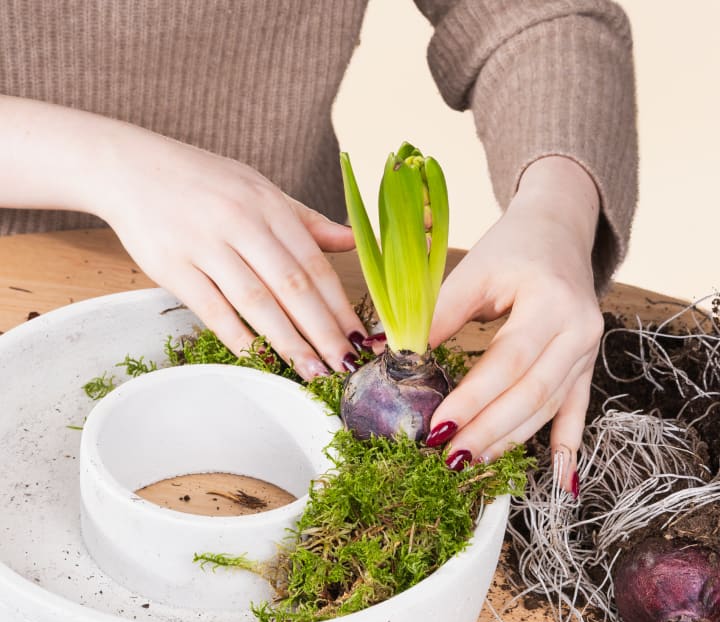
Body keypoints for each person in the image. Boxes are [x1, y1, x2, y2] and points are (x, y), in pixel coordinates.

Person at [0, 1, 637, 497]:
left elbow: (548, 17)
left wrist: (557, 209)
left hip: (300, 298)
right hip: (20, 286)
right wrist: (109, 165)